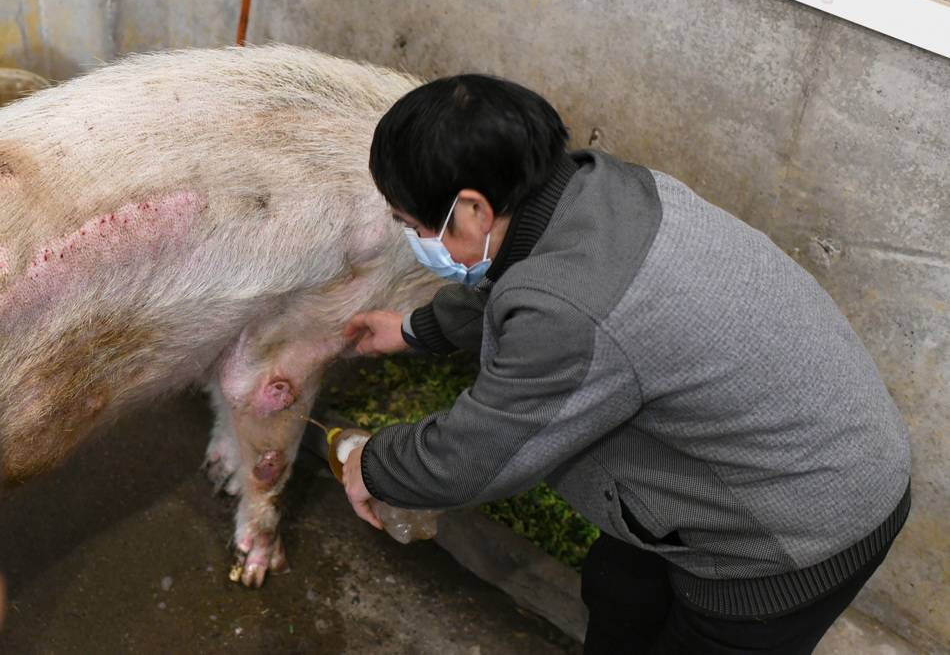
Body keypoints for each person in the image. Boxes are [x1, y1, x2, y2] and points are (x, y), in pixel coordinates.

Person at [340, 74, 911, 654]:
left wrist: (374, 464)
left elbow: (475, 457)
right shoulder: (602, 190)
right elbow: (522, 281)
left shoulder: (572, 308)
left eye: (412, 226)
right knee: (619, 591)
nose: (414, 238)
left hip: (794, 531)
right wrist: (416, 330)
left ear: (473, 210)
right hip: (800, 442)